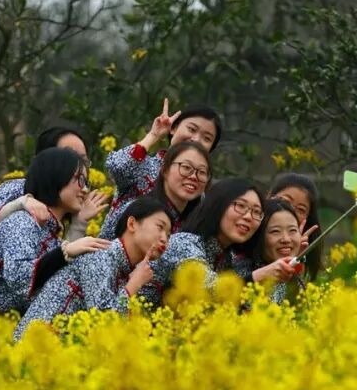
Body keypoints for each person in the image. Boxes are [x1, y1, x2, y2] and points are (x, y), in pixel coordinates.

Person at [0, 125, 108, 287]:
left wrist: (79, 223)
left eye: (84, 159)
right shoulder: (19, 192)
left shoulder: (55, 216)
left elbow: (54, 272)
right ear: (51, 162)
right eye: (69, 155)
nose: (78, 163)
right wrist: (20, 203)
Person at [0, 147, 109, 314]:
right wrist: (65, 251)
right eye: (79, 180)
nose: (85, 190)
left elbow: (53, 286)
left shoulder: (49, 233)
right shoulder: (23, 222)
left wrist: (79, 223)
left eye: (87, 182)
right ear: (55, 176)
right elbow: (21, 279)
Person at [14, 196, 172, 340]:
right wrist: (133, 285)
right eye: (160, 227)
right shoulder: (101, 257)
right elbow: (104, 320)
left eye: (169, 234)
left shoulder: (123, 269)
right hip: (32, 351)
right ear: (132, 224)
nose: (164, 239)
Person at [139, 178, 296, 307]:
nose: (248, 217)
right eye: (241, 206)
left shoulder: (227, 259)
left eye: (256, 212)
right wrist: (262, 275)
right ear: (219, 205)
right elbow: (209, 289)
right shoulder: (183, 243)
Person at [102, 99, 221, 235]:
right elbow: (115, 166)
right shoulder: (144, 165)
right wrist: (153, 136)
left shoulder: (199, 194)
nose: (196, 139)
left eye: (207, 138)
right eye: (192, 129)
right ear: (174, 128)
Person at [101, 141, 211, 238]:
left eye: (202, 172)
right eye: (186, 167)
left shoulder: (198, 225)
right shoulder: (139, 211)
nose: (193, 176)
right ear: (165, 170)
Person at [268, 173, 322, 282]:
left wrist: (294, 257)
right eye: (286, 201)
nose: (290, 210)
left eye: (301, 209)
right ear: (268, 197)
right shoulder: (243, 239)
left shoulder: (301, 256)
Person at [249, 199, 305, 303]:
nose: (286, 239)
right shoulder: (243, 275)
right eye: (275, 231)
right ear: (258, 236)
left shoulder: (296, 280)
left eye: (293, 230)